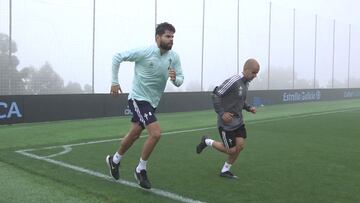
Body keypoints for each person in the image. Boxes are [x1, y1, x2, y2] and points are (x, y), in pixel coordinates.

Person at [106, 22, 184, 189]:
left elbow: (180, 80)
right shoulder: (145, 52)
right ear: (158, 38)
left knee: (134, 134)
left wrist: (174, 78)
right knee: (156, 133)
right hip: (138, 98)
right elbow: (117, 56)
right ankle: (140, 169)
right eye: (167, 36)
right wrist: (114, 82)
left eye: (172, 37)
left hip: (152, 102)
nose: (171, 40)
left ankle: (114, 160)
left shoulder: (174, 57)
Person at [196, 58, 260, 179]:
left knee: (240, 146)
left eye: (256, 73)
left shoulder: (246, 83)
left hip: (238, 121)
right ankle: (206, 141)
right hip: (226, 124)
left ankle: (225, 170)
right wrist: (222, 113)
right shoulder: (234, 81)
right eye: (254, 72)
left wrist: (248, 107)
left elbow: (240, 100)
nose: (255, 76)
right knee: (231, 150)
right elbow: (216, 94)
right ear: (246, 70)